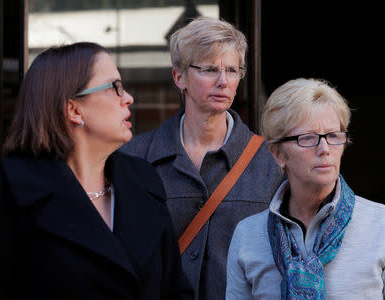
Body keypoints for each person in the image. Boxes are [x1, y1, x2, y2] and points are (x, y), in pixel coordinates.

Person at [0, 42, 193, 299]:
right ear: (73, 109)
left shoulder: (144, 181)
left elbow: (174, 289)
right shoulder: (5, 193)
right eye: (115, 87)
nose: (128, 98)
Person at [119, 17, 282, 299]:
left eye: (232, 70)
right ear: (179, 77)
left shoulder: (269, 161)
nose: (223, 81)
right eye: (209, 69)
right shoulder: (134, 159)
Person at [226, 78, 385, 299]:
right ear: (278, 154)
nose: (324, 149)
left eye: (333, 136)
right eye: (308, 138)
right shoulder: (248, 236)